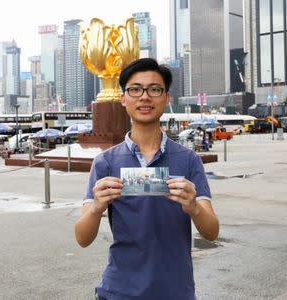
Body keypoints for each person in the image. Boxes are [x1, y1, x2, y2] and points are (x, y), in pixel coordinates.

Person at [74, 58, 219, 299]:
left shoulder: (188, 159)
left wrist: (193, 207)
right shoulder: (106, 162)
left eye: (154, 89)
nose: (144, 97)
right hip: (118, 291)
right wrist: (96, 208)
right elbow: (82, 238)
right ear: (123, 99)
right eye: (135, 89)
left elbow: (211, 232)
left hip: (175, 291)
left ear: (166, 98)